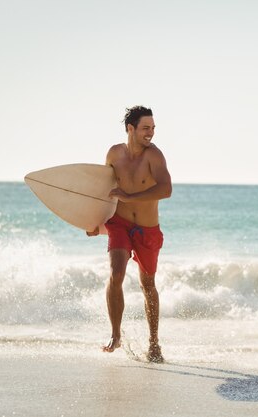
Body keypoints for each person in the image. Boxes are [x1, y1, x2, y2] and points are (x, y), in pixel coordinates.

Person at [87, 105, 172, 363]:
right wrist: (95, 222)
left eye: (153, 128)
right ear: (130, 128)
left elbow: (166, 189)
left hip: (147, 229)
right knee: (116, 273)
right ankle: (115, 334)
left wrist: (130, 196)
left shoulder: (154, 156)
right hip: (120, 223)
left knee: (148, 285)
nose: (151, 133)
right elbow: (105, 190)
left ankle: (154, 342)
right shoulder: (114, 154)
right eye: (146, 128)